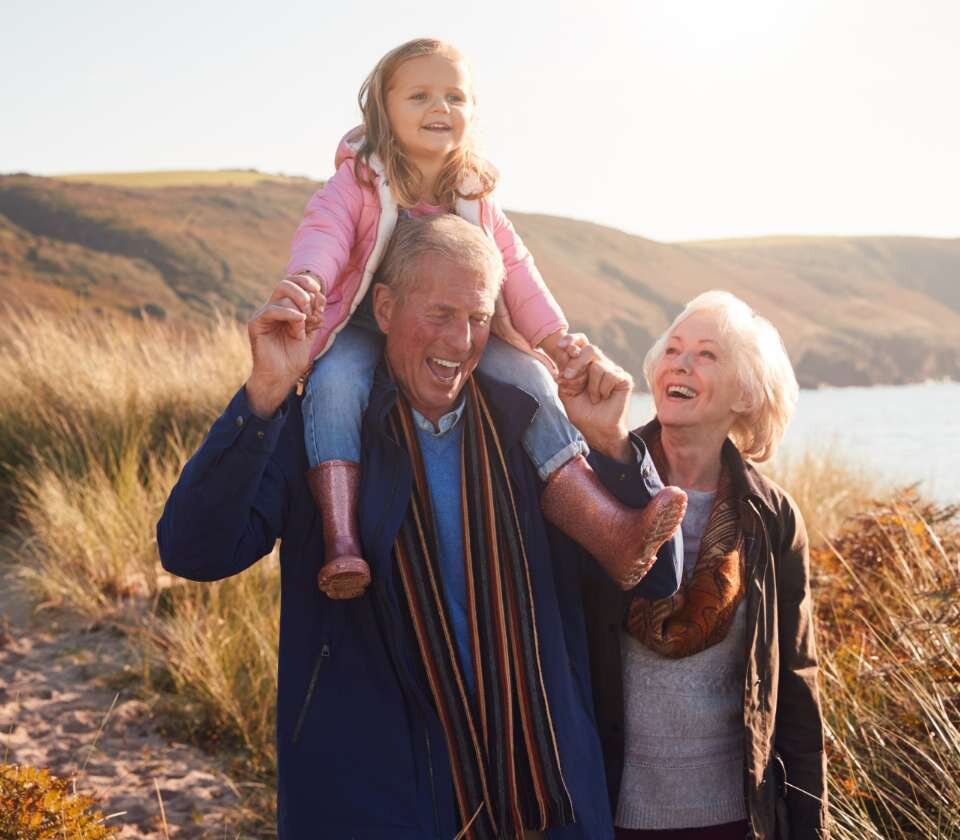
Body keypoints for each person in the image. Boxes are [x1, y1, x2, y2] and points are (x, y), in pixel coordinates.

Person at [157, 214, 683, 839]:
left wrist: (612, 444)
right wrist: (264, 394)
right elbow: (193, 550)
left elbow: (655, 581)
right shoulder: (321, 435)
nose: (461, 340)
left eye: (480, 317)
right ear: (383, 307)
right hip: (376, 803)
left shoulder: (535, 430)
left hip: (549, 798)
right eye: (439, 313)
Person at [284, 37, 685, 598]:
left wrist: (554, 336)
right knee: (335, 384)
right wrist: (308, 282)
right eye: (420, 95)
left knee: (532, 378)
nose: (439, 108)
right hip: (364, 324)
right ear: (383, 106)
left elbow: (515, 267)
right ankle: (343, 540)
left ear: (472, 113)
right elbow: (323, 235)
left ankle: (609, 529)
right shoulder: (359, 182)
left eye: (455, 97)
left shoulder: (475, 195)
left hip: (461, 327)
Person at [569, 291, 828, 840]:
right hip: (605, 813)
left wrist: (809, 825)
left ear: (745, 393)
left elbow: (798, 685)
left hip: (736, 819)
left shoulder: (772, 517)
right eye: (674, 350)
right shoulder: (595, 486)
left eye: (707, 355)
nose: (681, 364)